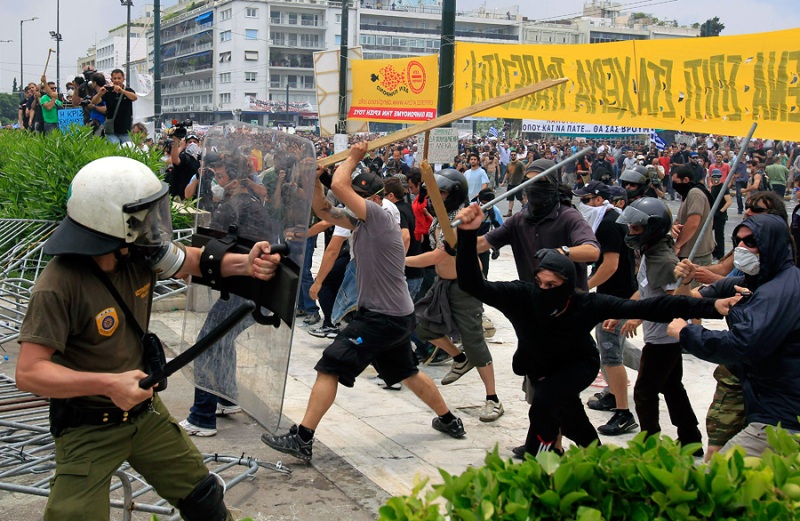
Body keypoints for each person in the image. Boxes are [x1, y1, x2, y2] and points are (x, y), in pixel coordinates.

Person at [16, 156, 282, 521]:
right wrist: (108, 383)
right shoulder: (58, 285)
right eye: (143, 214)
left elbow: (190, 260)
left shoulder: (138, 252)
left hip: (145, 414)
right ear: (111, 220)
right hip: (89, 424)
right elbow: (30, 372)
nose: (153, 223)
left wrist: (245, 263)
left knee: (204, 499)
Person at [453, 203, 733, 458]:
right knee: (572, 420)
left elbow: (652, 306)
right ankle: (597, 458)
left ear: (568, 284)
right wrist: (467, 235)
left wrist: (711, 306)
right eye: (540, 282)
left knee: (545, 402)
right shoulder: (522, 296)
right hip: (540, 366)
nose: (544, 290)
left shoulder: (585, 303)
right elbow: (472, 284)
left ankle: (539, 460)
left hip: (578, 365)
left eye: (552, 285)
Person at [261, 142, 466, 463]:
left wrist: (352, 157)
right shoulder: (362, 221)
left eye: (357, 195)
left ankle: (302, 438)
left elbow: (340, 187)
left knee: (329, 365)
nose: (349, 199)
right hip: (393, 315)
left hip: (381, 318)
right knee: (408, 372)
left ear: (372, 198)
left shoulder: (381, 217)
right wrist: (317, 180)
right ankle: (449, 419)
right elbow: (324, 211)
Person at [668, 214, 800, 457]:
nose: (741, 248)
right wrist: (687, 280)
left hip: (779, 413)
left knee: (720, 476)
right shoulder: (754, 283)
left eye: (751, 242)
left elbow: (743, 343)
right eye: (738, 241)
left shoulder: (779, 291)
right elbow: (685, 302)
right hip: (761, 397)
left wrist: (688, 333)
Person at [604, 197, 706, 454]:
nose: (631, 233)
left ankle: (650, 447)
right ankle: (691, 440)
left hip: (663, 340)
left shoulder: (663, 260)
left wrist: (638, 317)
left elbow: (676, 301)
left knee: (644, 394)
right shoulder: (652, 253)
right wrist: (625, 312)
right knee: (672, 388)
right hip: (660, 337)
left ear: (652, 228)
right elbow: (646, 291)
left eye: (636, 229)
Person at [180, 157, 272, 436]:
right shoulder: (248, 205)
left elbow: (215, 245)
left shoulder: (237, 206)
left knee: (207, 343)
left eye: (219, 177)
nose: (216, 182)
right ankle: (227, 398)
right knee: (223, 339)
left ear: (236, 179)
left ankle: (202, 417)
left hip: (242, 289)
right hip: (246, 290)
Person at [408, 170, 505, 423]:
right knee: (422, 324)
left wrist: (398, 261)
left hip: (466, 285)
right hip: (443, 283)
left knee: (474, 341)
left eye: (440, 193)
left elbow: (437, 256)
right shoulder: (440, 217)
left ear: (454, 194)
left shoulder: (457, 220)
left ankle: (493, 399)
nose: (434, 197)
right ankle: (459, 359)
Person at [574, 181, 638, 435]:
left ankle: (623, 413)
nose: (582, 205)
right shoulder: (608, 219)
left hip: (616, 297)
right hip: (613, 294)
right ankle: (613, 393)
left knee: (611, 355)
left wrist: (584, 287)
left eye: (586, 199)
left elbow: (610, 265)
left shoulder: (610, 224)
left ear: (599, 200)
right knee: (611, 346)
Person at [92, 69, 137, 144]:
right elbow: (94, 101)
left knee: (126, 150)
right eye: (115, 78)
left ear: (123, 79)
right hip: (111, 130)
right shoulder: (108, 91)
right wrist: (100, 93)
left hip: (125, 129)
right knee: (116, 148)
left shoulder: (128, 90)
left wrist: (122, 91)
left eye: (119, 78)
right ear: (111, 79)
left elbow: (134, 97)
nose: (117, 80)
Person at [709, 169, 732, 261]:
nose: (715, 179)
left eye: (718, 177)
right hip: (713, 215)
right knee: (708, 233)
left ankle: (720, 255)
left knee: (719, 236)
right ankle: (714, 252)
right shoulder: (713, 187)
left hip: (720, 216)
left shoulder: (723, 188)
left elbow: (729, 202)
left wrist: (720, 212)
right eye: (714, 177)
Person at [501, 148, 526, 217]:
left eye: (514, 155)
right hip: (510, 183)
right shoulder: (509, 164)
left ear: (516, 155)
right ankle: (510, 211)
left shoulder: (520, 164)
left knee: (520, 198)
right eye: (512, 155)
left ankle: (526, 207)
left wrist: (524, 181)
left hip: (518, 183)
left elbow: (524, 172)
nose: (513, 156)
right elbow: (507, 173)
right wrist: (503, 182)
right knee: (510, 198)